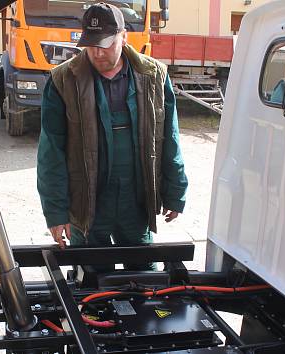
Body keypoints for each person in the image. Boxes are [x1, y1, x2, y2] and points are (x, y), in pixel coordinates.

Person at [36, 3, 188, 271]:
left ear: (124, 37)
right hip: (87, 203)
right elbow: (52, 152)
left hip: (135, 200)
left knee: (144, 279)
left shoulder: (153, 76)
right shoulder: (63, 81)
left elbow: (169, 138)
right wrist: (56, 212)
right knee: (92, 283)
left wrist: (175, 193)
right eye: (91, 43)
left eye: (105, 43)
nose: (97, 52)